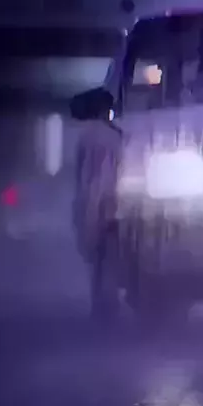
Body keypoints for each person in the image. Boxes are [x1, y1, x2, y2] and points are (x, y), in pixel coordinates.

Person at [72, 88, 124, 321]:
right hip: (112, 204)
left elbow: (81, 174)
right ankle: (108, 305)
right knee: (109, 258)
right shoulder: (115, 136)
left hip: (91, 203)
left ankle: (101, 306)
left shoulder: (86, 136)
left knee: (96, 260)